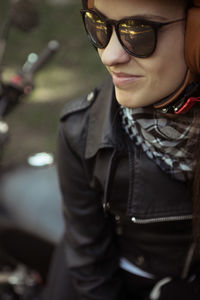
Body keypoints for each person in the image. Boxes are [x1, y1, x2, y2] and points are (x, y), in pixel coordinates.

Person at [44, 0, 200, 299]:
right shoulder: (81, 132)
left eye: (138, 31)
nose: (110, 55)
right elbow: (91, 271)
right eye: (98, 26)